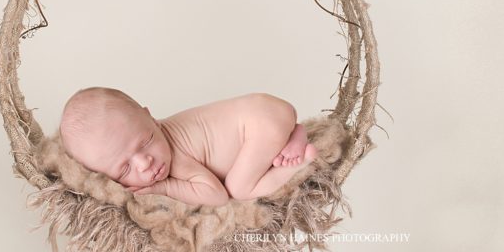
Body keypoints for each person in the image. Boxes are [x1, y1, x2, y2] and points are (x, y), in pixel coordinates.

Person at [58, 87, 317, 206]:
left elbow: (215, 196)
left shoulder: (176, 156)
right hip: (266, 109)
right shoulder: (154, 145)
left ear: (151, 117)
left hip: (261, 124)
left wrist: (163, 187)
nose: (145, 162)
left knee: (238, 189)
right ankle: (292, 134)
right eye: (125, 169)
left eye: (146, 141)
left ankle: (301, 159)